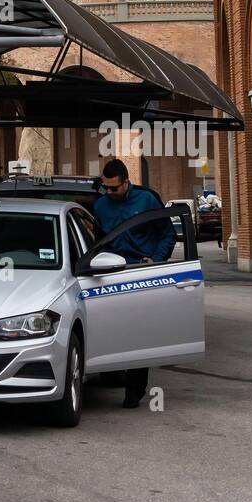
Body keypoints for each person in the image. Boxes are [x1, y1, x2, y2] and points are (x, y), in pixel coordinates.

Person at [91, 158, 176, 409]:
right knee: (113, 331)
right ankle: (112, 374)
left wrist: (156, 260)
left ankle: (134, 391)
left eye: (114, 188)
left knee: (140, 333)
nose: (109, 192)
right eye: (105, 188)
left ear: (126, 182)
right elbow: (97, 244)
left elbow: (167, 234)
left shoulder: (147, 200)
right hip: (112, 274)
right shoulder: (100, 207)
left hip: (142, 273)